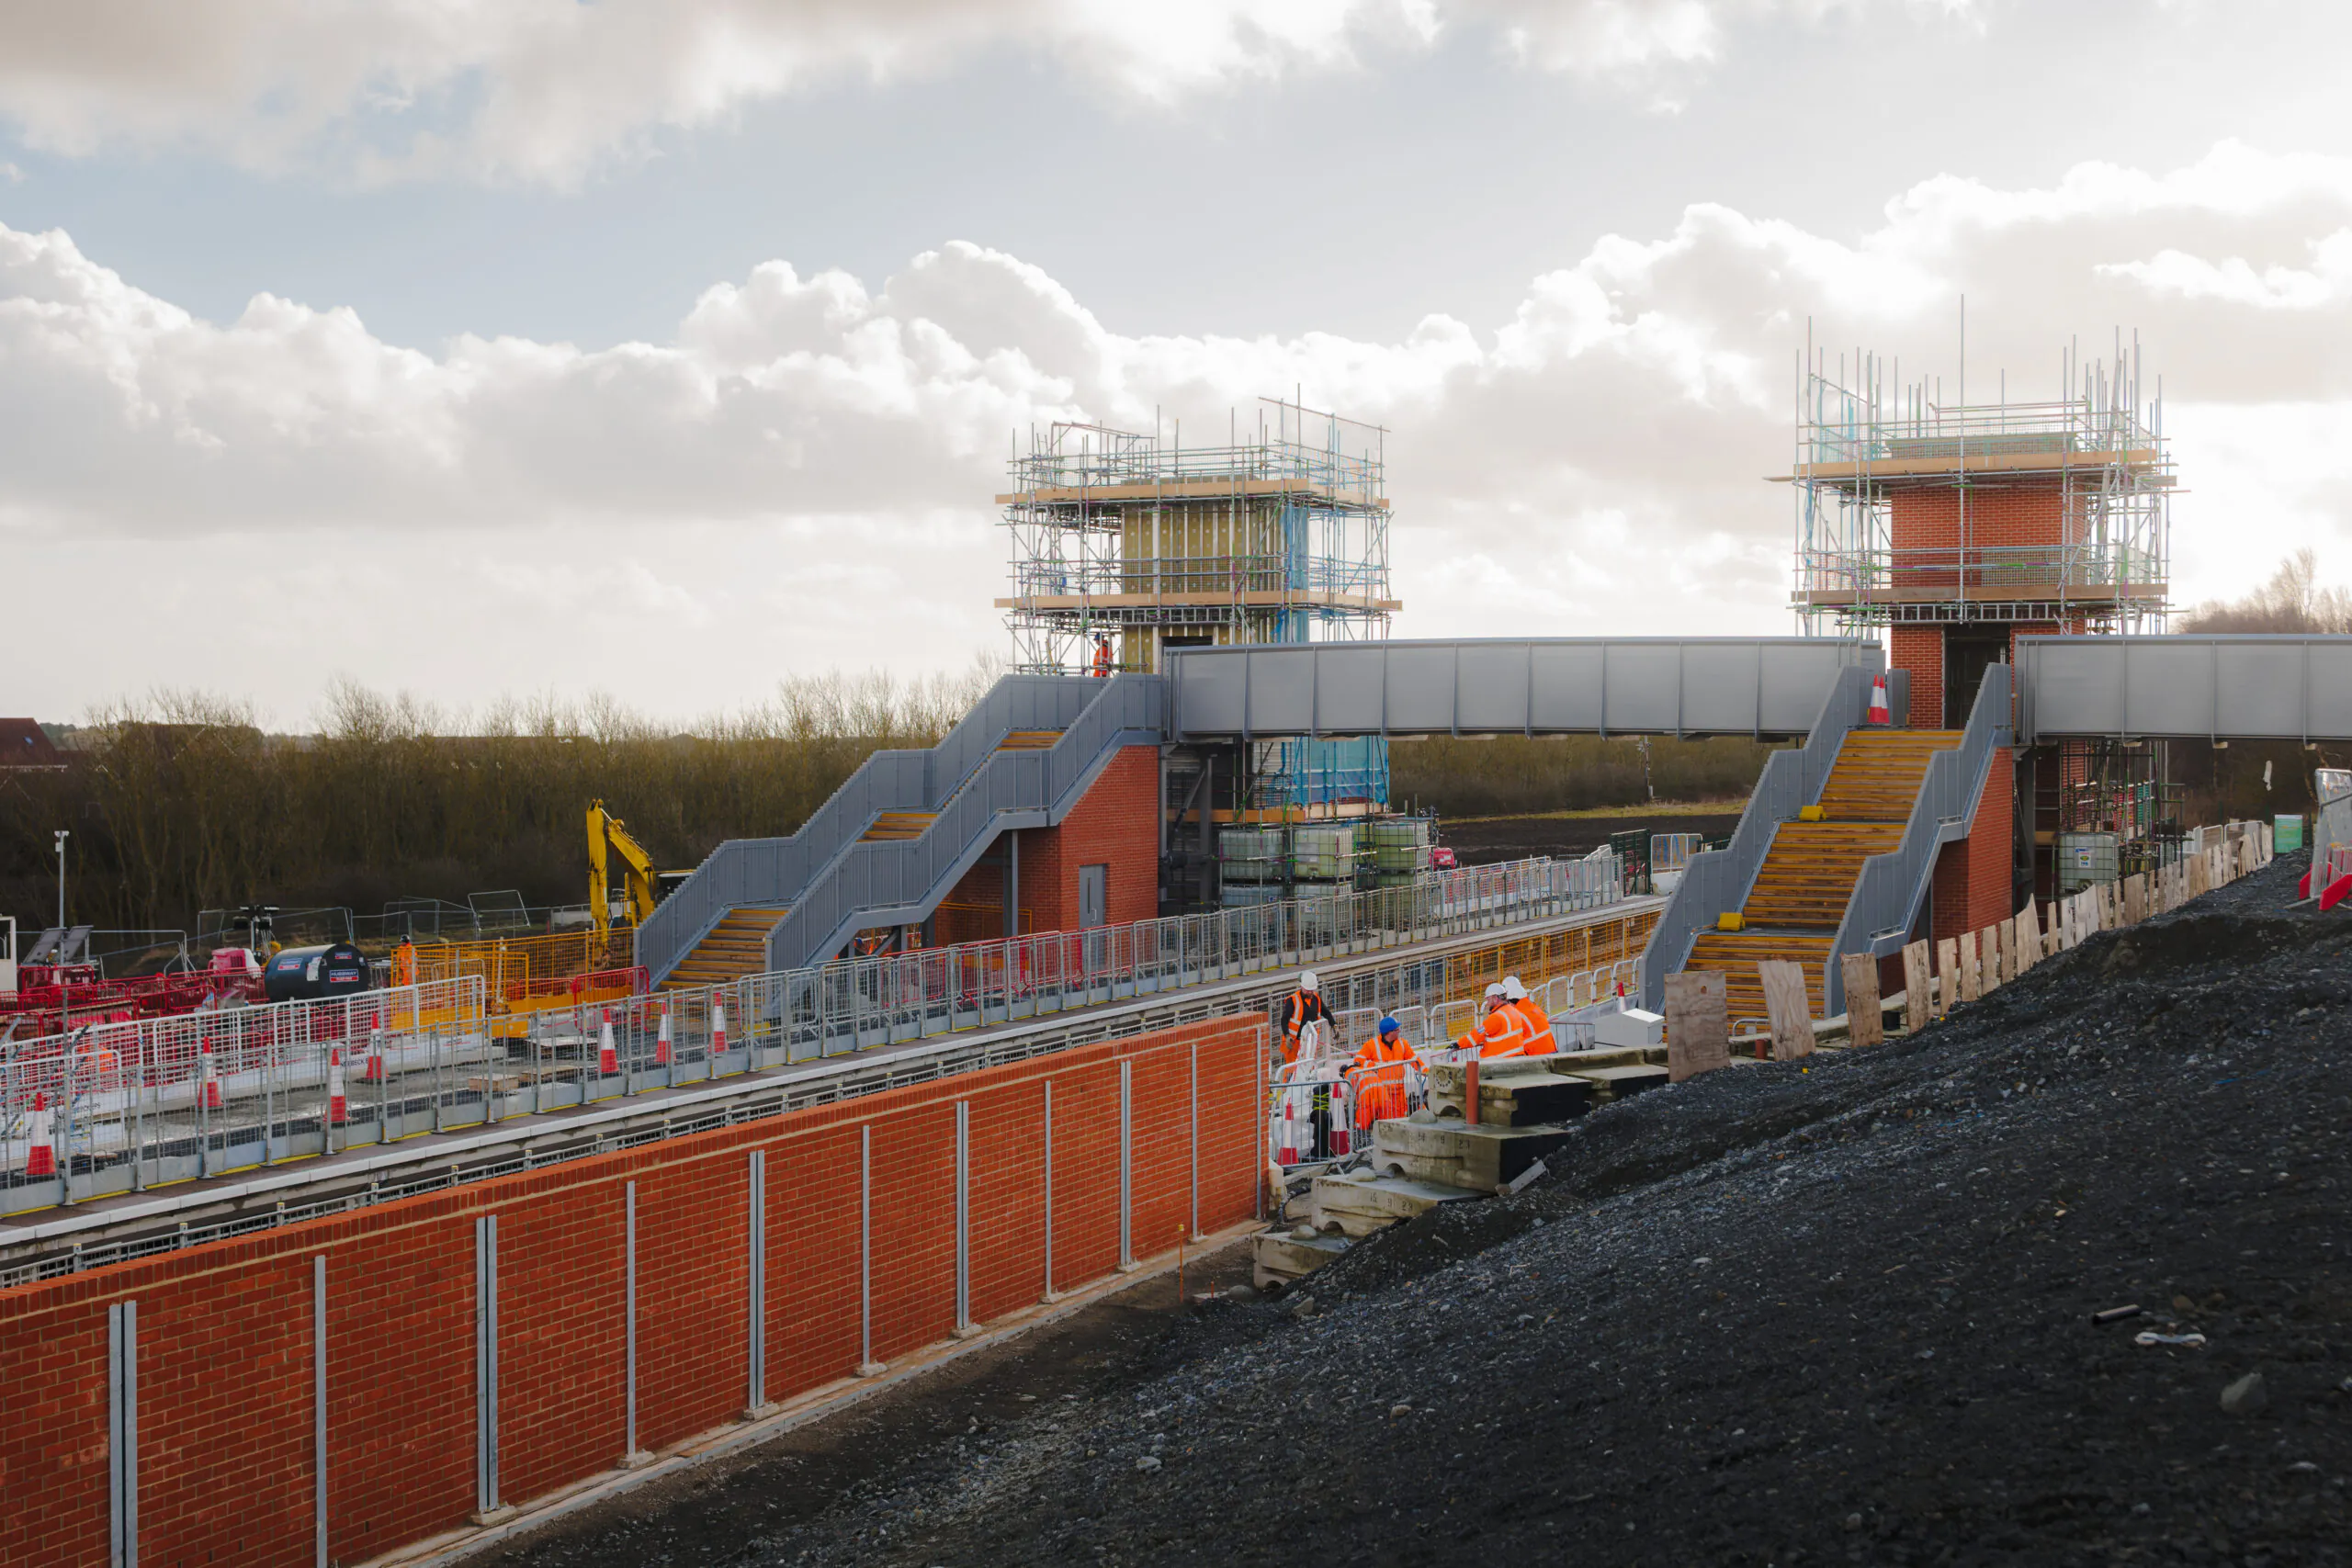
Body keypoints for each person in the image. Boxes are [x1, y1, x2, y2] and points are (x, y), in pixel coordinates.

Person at [1346, 1016, 1419, 1132]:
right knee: (1385, 1124)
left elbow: (1415, 1059)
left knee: (1400, 1124)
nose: (1399, 1031)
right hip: (1382, 1093)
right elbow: (1358, 1061)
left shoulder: (1402, 1043)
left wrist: (1426, 1071)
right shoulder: (1371, 1045)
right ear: (1389, 1033)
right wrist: (1374, 1066)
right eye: (1397, 1029)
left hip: (1398, 1093)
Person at [1454, 982, 1533, 1058]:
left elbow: (1478, 1034)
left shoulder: (1496, 1017)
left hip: (1500, 1059)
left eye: (1488, 999)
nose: (1487, 1003)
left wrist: (1459, 1044)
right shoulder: (1514, 1010)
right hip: (1515, 1056)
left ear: (1495, 998)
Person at [1278, 971, 1334, 1065]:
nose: (1310, 992)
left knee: (1309, 1067)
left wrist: (1334, 1024)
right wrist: (1287, 1036)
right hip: (1294, 1043)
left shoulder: (1316, 998)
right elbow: (1284, 1019)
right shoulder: (1292, 1000)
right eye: (1308, 990)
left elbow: (1326, 1012)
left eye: (1312, 990)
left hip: (1310, 1042)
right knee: (1292, 1071)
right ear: (1302, 987)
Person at [1502, 975, 1556, 1056]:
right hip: (1551, 1052)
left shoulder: (1518, 1015)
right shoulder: (1533, 1008)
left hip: (1537, 1056)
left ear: (1510, 1000)